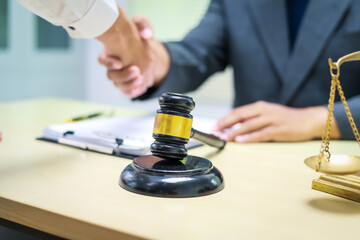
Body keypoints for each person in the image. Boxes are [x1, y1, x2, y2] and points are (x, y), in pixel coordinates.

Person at [98, 0, 360, 143]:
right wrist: (149, 59)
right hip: (245, 160)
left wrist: (319, 120)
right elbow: (199, 52)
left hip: (339, 165)